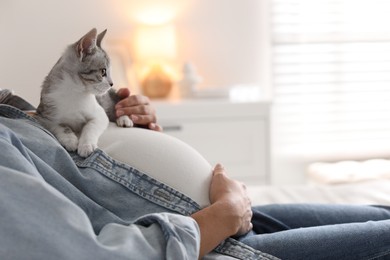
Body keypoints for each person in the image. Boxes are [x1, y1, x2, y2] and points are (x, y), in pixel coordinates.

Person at [0, 88, 390, 260]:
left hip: (211, 222)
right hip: (208, 244)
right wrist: (222, 217)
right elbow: (86, 255)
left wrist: (114, 121)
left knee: (381, 213)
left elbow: (68, 169)